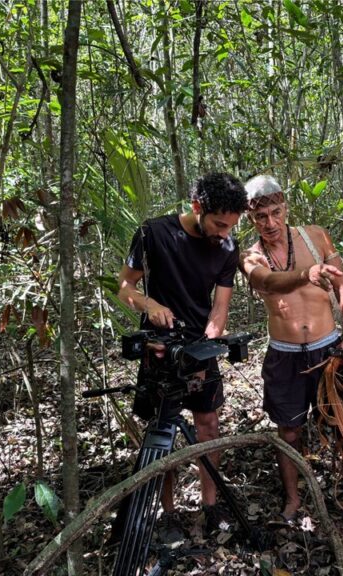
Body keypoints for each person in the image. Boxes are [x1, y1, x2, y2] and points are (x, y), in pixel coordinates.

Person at [239, 174, 343, 531]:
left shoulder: (315, 237)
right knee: (289, 432)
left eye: (275, 212)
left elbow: (342, 286)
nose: (269, 223)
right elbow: (269, 282)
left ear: (285, 207)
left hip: (328, 350)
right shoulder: (251, 257)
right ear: (250, 218)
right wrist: (307, 274)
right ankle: (294, 499)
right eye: (260, 217)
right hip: (284, 356)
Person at [117, 172, 248, 540]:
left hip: (198, 349)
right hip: (159, 350)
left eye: (231, 226)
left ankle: (210, 505)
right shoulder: (153, 233)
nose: (225, 233)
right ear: (196, 208)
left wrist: (212, 335)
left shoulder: (226, 247)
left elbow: (220, 306)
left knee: (208, 426)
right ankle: (169, 511)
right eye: (219, 224)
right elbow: (124, 286)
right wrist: (149, 303)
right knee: (163, 431)